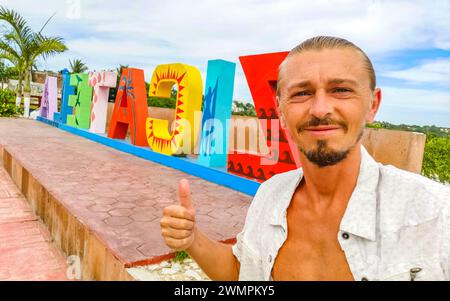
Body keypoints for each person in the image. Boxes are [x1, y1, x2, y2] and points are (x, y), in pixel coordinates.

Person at [160, 36, 450, 281]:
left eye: (341, 90)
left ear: (373, 105)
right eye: (301, 93)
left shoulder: (435, 214)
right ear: (281, 111)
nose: (320, 108)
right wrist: (193, 239)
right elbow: (241, 271)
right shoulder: (270, 195)